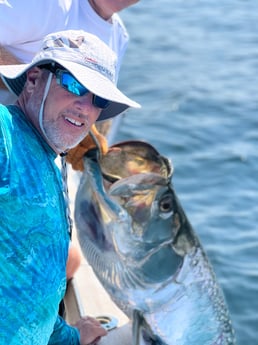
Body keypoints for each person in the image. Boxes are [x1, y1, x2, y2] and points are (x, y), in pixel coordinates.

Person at [0, 29, 140, 344]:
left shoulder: (55, 161)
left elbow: (34, 296)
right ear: (34, 78)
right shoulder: (5, 133)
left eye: (99, 99)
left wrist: (70, 337)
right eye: (74, 84)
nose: (85, 107)